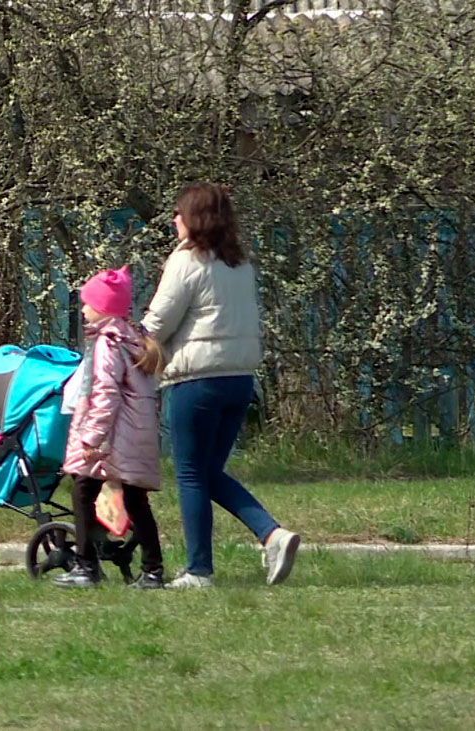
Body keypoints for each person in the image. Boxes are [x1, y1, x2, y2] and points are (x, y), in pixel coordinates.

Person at [141, 182, 299, 589]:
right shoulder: (239, 265)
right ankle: (271, 534)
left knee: (191, 474)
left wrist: (126, 344)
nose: (174, 220)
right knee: (210, 472)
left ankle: (198, 569)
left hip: (197, 381)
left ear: (195, 219)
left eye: (179, 213)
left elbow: (159, 323)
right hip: (238, 380)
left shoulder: (186, 262)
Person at [52, 266, 167, 589]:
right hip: (133, 436)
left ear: (102, 308)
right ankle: (153, 570)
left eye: (87, 303)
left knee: (82, 491)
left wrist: (91, 437)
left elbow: (105, 393)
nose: (84, 309)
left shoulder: (108, 343)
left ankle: (87, 567)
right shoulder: (133, 340)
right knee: (135, 502)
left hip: (112, 437)